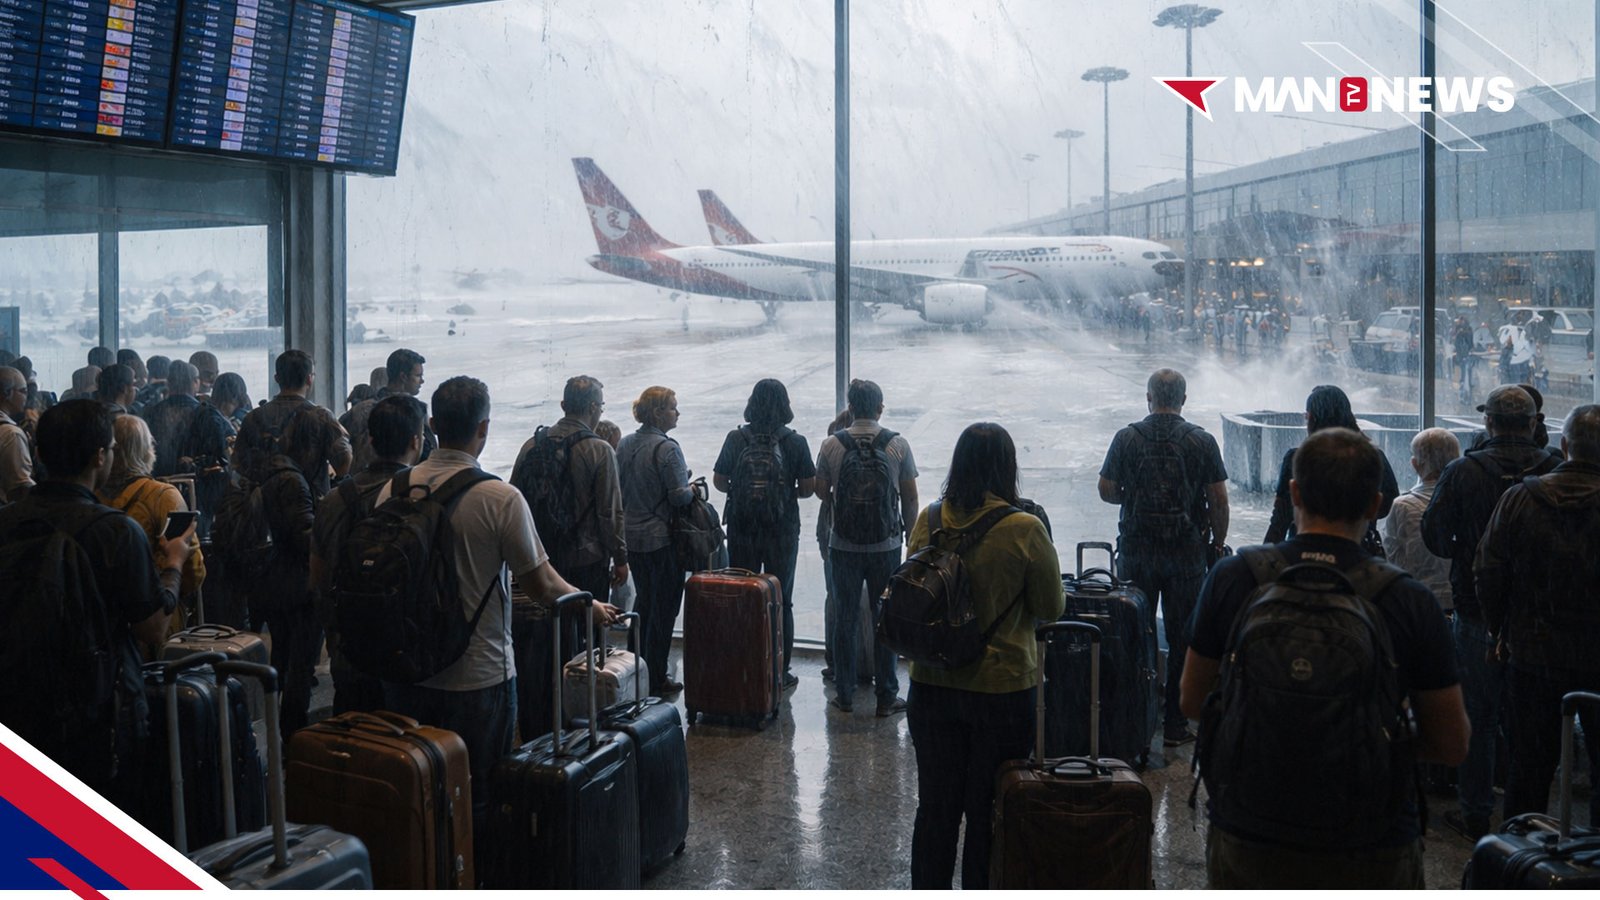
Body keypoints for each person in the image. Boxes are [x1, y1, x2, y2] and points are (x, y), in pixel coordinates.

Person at [1181, 428, 1468, 888]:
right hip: (1369, 838)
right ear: (1375, 505)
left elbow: (1193, 701)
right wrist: (1367, 743)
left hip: (1251, 827)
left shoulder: (1236, 577)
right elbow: (1451, 742)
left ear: (1295, 492)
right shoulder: (1407, 600)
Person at [375, 376, 618, 863]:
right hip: (478, 675)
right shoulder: (497, 498)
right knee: (480, 793)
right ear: (483, 428)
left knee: (421, 790)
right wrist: (588, 603)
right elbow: (543, 587)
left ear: (432, 427)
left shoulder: (394, 488)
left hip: (408, 667)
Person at [0, 400, 193, 813]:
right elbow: (152, 627)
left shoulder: (8, 519)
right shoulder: (114, 531)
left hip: (17, 700)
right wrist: (174, 563)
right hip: (96, 712)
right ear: (99, 457)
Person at [905, 422, 1064, 889]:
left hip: (931, 684)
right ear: (1008, 468)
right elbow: (1050, 608)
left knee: (935, 807)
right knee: (988, 811)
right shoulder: (1025, 529)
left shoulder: (929, 521)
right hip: (1002, 691)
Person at [1422, 384, 1561, 841]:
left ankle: (1476, 811)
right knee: (1531, 723)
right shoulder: (1555, 471)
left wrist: (1470, 549)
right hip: (1541, 619)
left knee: (1477, 719)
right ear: (1533, 424)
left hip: (1477, 611)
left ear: (1489, 423)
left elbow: (1436, 538)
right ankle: (1525, 819)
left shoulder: (1463, 472)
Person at [1476, 404, 1600, 825]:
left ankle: (1518, 861)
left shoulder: (1520, 499)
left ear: (1564, 446)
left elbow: (1487, 570)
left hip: (1533, 652)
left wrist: (1500, 629)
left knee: (1527, 768)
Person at [1098, 368, 1229, 746]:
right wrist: (1216, 544)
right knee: (1182, 636)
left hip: (1137, 552)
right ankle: (1175, 723)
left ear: (1148, 398)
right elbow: (1218, 500)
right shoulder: (1200, 441)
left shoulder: (1127, 437)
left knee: (1134, 635)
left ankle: (1133, 720)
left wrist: (1134, 496)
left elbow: (1106, 489)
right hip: (1185, 555)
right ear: (1184, 400)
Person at [234, 350, 352, 735]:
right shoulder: (320, 416)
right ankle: (292, 736)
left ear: (276, 376)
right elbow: (345, 456)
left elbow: (238, 468)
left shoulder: (255, 417)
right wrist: (328, 486)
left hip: (264, 537)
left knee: (279, 643)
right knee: (304, 647)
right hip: (305, 527)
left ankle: (270, 721)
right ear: (311, 378)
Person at [310, 395, 426, 715]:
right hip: (407, 652)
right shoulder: (424, 500)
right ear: (417, 441)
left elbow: (317, 579)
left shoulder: (334, 500)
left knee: (353, 737)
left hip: (349, 648)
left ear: (370, 441)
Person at [814, 378, 918, 716]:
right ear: (880, 408)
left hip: (842, 544)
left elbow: (820, 490)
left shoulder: (832, 444)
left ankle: (844, 693)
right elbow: (910, 497)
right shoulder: (897, 444)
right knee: (884, 618)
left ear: (851, 408)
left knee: (844, 620)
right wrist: (909, 538)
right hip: (885, 545)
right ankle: (886, 695)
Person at [510, 375, 627, 658]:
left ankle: (548, 690)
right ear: (592, 407)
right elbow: (609, 513)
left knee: (548, 633)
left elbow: (514, 499)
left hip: (541, 559)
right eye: (601, 406)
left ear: (564, 404)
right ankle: (581, 691)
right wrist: (621, 559)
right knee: (588, 631)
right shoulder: (600, 449)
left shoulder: (532, 445)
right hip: (586, 558)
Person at [713, 379, 816, 688]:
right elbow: (810, 488)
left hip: (744, 528)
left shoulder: (737, 438)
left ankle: (743, 664)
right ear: (785, 405)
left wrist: (747, 492)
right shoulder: (794, 442)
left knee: (743, 596)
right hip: (781, 530)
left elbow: (719, 481)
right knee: (781, 600)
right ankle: (779, 672)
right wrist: (780, 493)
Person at [99, 415, 206, 653]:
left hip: (103, 624)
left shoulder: (91, 497)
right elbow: (193, 574)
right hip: (156, 623)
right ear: (146, 451)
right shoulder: (164, 496)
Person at [617, 386, 693, 696]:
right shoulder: (667, 449)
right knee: (663, 609)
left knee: (644, 602)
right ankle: (658, 675)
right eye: (674, 407)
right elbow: (679, 498)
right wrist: (691, 488)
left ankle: (635, 667)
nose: (678, 413)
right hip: (660, 539)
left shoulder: (624, 444)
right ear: (659, 413)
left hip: (631, 537)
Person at [1264, 385, 1399, 555]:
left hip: (1303, 553)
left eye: (1306, 418)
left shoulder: (1297, 460)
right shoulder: (1372, 457)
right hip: (1358, 551)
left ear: (1311, 418)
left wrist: (1263, 561)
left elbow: (1280, 518)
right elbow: (1389, 502)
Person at [1383, 428, 1459, 612]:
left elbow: (1392, 561)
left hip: (1418, 602)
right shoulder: (1468, 499)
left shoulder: (1403, 506)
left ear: (1415, 464)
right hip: (1460, 599)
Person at [341, 348, 435, 472]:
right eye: (418, 375)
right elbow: (430, 452)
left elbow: (338, 440)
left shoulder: (360, 410)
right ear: (403, 377)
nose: (422, 381)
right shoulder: (416, 411)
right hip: (405, 484)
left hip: (361, 484)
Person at [143, 361, 202, 478]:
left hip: (157, 479)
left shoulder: (152, 412)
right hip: (194, 481)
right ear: (195, 382)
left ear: (169, 383)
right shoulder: (204, 413)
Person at [0, 366, 34, 503]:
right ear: (5, 393)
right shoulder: (11, 434)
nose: (26, 397)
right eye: (23, 391)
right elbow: (21, 487)